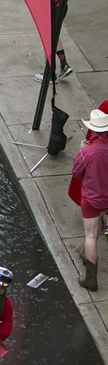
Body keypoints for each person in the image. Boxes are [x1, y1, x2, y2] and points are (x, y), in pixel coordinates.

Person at [72, 109, 108, 291]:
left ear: (93, 130)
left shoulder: (87, 152)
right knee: (98, 230)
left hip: (92, 199)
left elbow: (77, 173)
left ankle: (90, 279)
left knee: (90, 236)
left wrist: (81, 150)